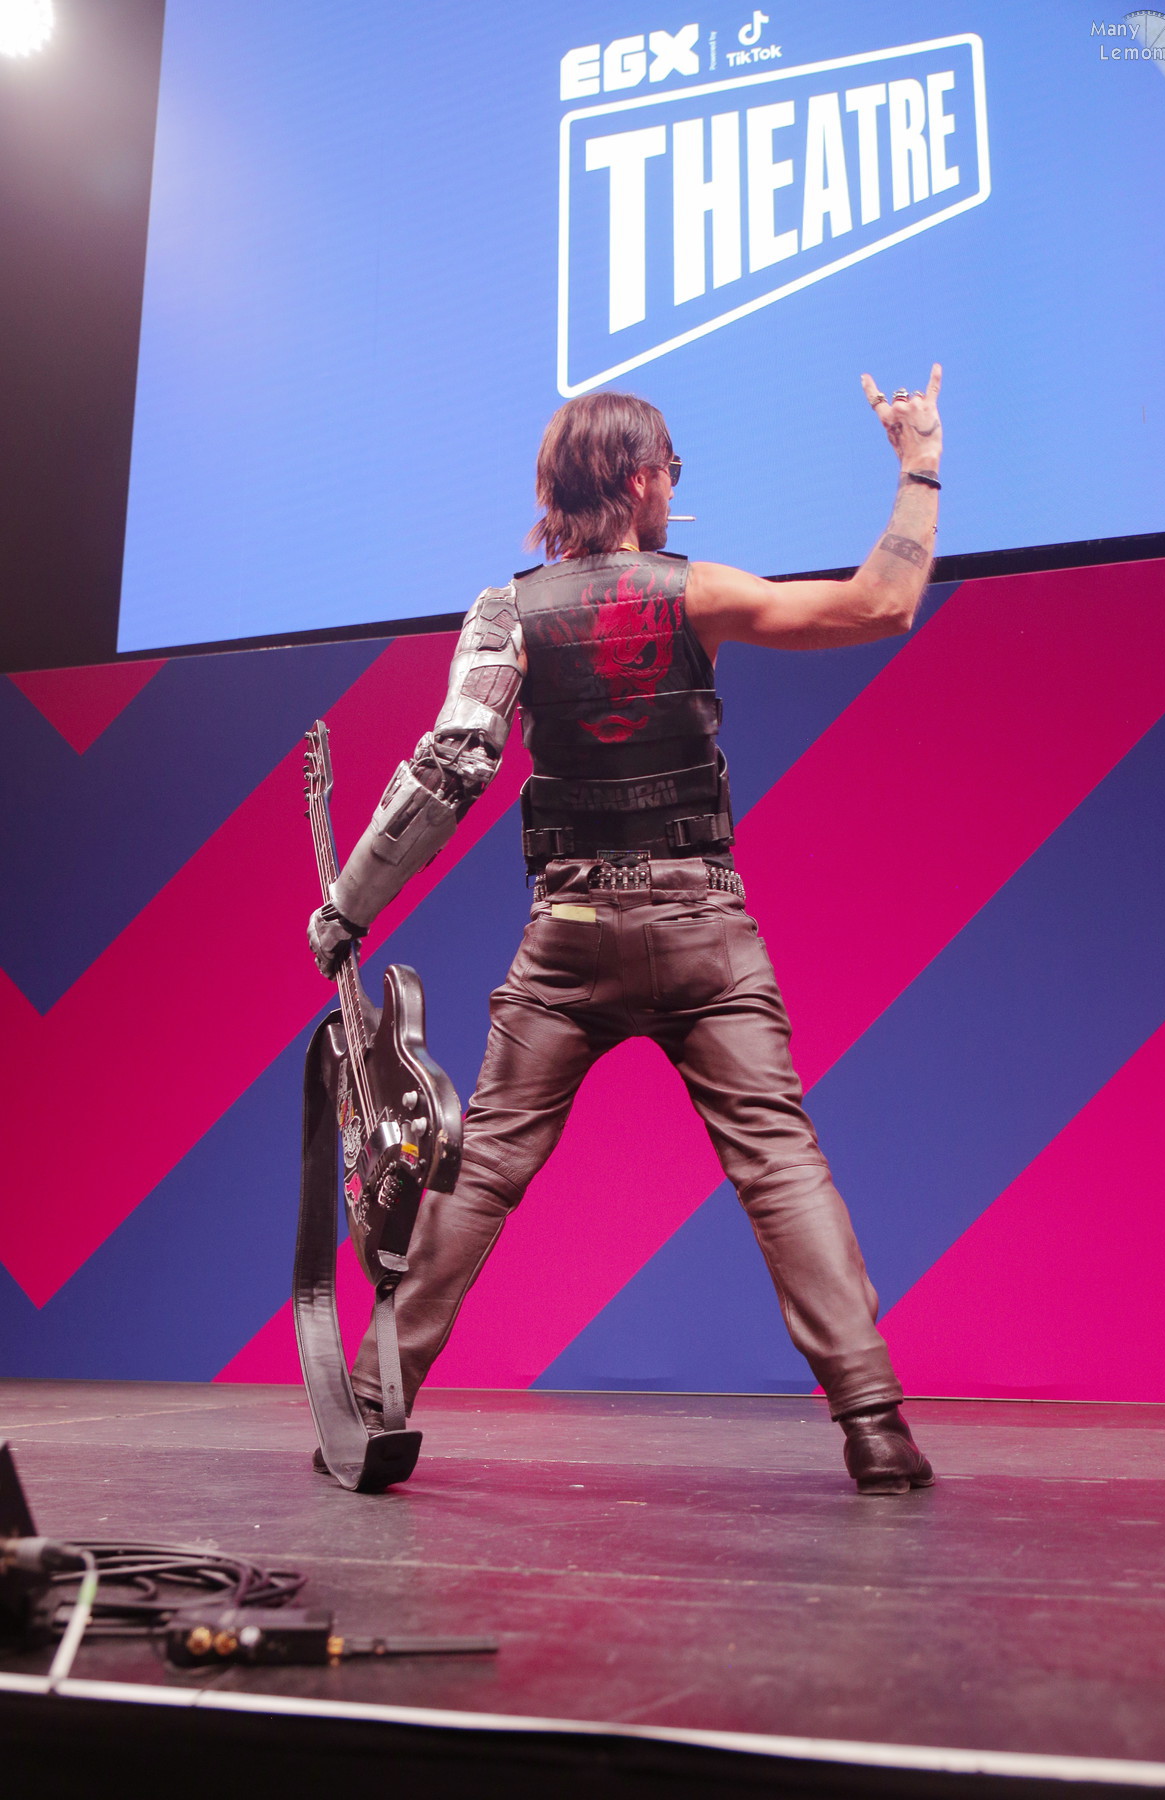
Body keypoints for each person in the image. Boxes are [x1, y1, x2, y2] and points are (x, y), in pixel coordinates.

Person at [309, 368, 944, 1494]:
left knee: (482, 1162)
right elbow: (881, 605)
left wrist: (348, 904)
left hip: (569, 936)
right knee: (779, 1161)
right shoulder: (699, 591)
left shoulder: (507, 612)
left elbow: (450, 768)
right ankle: (876, 1427)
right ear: (643, 480)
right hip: (706, 929)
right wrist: (920, 466)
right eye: (671, 472)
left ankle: (368, 1401)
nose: (673, 489)